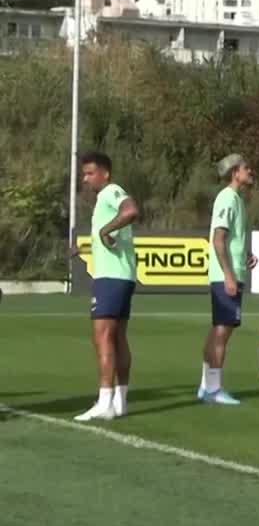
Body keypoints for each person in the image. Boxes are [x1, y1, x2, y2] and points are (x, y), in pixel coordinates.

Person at [75, 151, 139, 421]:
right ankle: (120, 401)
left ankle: (104, 402)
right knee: (118, 337)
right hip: (123, 275)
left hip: (110, 278)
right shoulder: (105, 198)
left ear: (105, 173)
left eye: (90, 173)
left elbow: (131, 210)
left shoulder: (111, 191)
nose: (85, 179)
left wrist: (104, 231)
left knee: (101, 337)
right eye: (84, 174)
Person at [197, 154, 257, 406]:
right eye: (246, 167)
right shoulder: (228, 198)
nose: (250, 170)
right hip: (225, 277)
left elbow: (229, 239)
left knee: (218, 331)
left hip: (229, 273)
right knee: (222, 331)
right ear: (235, 173)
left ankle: (206, 385)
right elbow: (218, 238)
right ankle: (213, 388)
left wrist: (245, 255)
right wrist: (229, 275)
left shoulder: (236, 200)